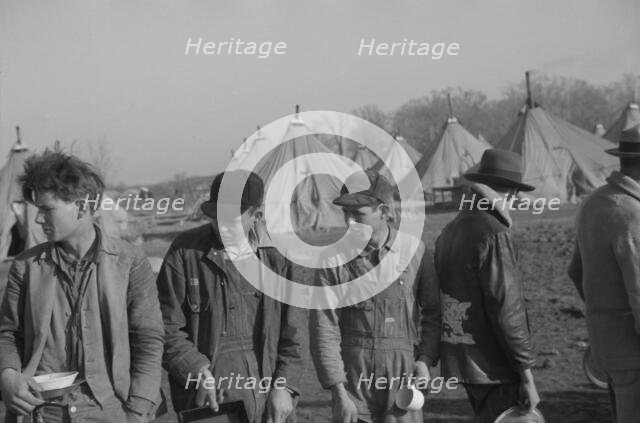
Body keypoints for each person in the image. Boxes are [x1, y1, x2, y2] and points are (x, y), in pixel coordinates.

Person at [0, 150, 164, 423]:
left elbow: (148, 340)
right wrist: (7, 375)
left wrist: (136, 412)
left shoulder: (129, 262)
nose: (38, 219)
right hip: (41, 412)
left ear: (84, 207)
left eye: (47, 209)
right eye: (37, 209)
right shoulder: (25, 266)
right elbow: (7, 334)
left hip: (110, 411)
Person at [157, 170, 304, 423]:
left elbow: (295, 334)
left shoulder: (280, 259)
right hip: (209, 401)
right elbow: (165, 327)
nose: (221, 225)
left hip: (269, 398)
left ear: (256, 215)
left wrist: (285, 386)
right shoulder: (184, 253)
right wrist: (196, 370)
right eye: (216, 217)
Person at [309, 170, 441, 423]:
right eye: (345, 213)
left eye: (358, 214)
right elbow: (324, 328)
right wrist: (338, 391)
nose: (349, 222)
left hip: (403, 378)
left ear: (383, 211)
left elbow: (434, 313)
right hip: (354, 383)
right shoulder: (333, 260)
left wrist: (424, 360)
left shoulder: (415, 253)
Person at [434, 149, 539, 422]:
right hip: (495, 366)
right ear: (513, 193)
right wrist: (525, 372)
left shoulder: (449, 231)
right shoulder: (495, 233)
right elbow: (507, 311)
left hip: (465, 360)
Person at [568, 124, 640, 423]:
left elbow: (575, 271)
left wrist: (604, 313)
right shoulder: (630, 213)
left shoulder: (593, 203)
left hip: (608, 344)